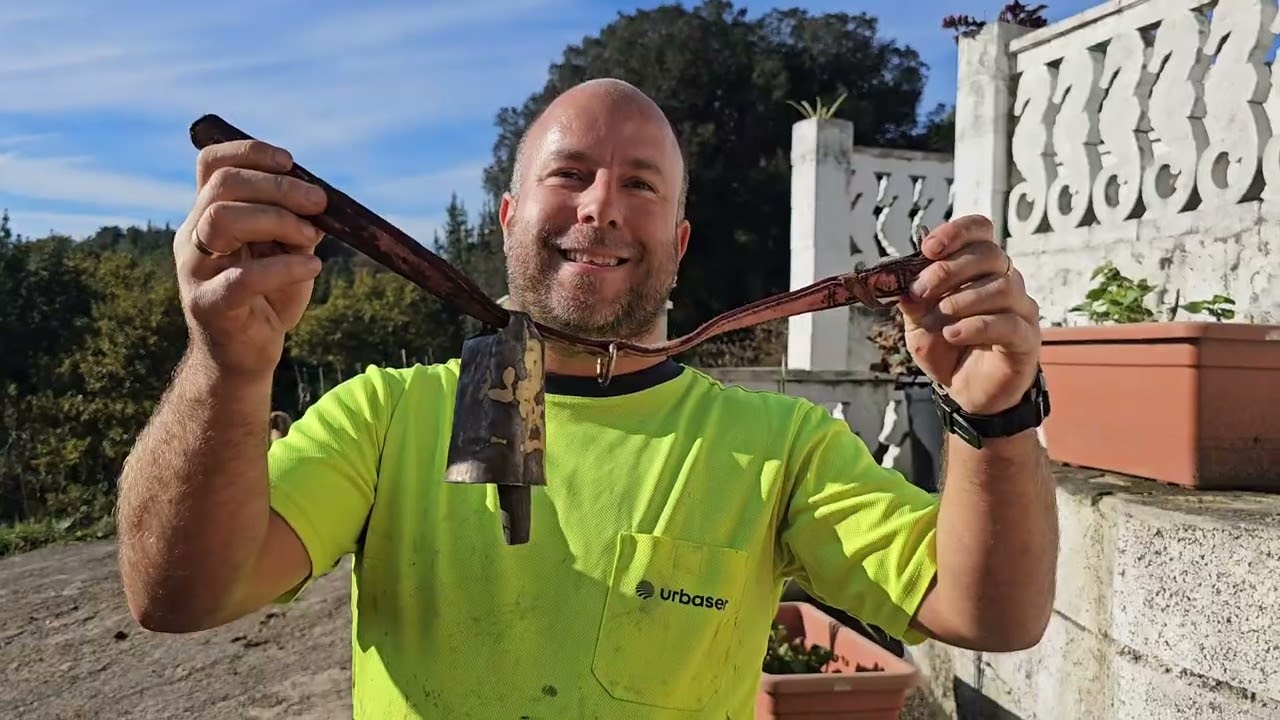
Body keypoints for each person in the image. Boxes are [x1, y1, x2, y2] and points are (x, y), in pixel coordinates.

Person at [116, 78, 1058, 719]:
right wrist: (225, 366)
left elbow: (991, 615)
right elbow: (178, 596)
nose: (601, 206)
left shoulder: (777, 444)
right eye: (569, 175)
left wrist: (996, 414)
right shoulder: (388, 415)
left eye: (639, 185)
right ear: (511, 217)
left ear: (680, 243)